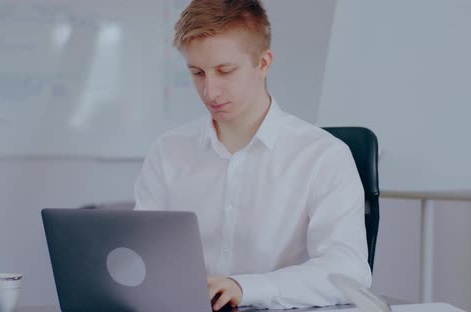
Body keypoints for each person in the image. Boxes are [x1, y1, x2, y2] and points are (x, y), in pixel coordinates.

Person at [134, 0, 371, 310]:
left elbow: (348, 271)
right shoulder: (167, 151)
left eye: (225, 71)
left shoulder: (324, 156)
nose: (210, 92)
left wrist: (247, 287)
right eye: (197, 73)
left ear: (263, 63)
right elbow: (142, 255)